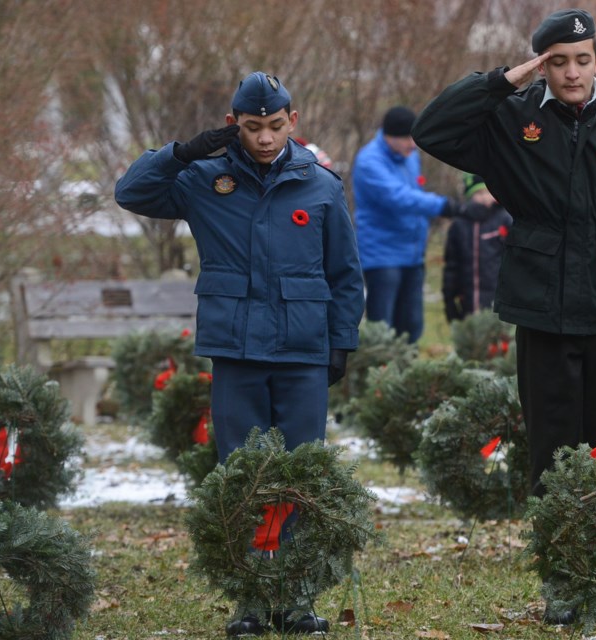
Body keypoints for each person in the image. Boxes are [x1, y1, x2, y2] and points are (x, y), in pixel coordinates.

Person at [412, 8, 596, 623]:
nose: (573, 73)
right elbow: (433, 129)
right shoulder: (513, 118)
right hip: (545, 309)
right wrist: (504, 81)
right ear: (541, 65)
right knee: (553, 451)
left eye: (583, 60)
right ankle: (563, 580)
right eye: (558, 62)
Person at [115, 71, 363, 636]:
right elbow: (130, 192)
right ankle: (250, 598)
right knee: (242, 477)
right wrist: (182, 152)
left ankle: (297, 597)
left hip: (303, 350)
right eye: (253, 128)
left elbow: (345, 274)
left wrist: (341, 342)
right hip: (236, 350)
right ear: (234, 125)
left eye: (276, 126)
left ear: (293, 121)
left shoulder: (322, 185)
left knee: (301, 475)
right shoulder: (202, 179)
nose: (266, 138)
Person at [352, 106, 457, 343]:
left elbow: (413, 193)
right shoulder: (369, 162)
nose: (413, 144)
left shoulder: (410, 157)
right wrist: (442, 206)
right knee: (383, 329)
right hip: (382, 256)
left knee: (412, 325)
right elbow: (398, 198)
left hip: (412, 255)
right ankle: (380, 375)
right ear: (389, 136)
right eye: (407, 138)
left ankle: (404, 375)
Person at [442, 173, 513, 322]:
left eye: (489, 192)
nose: (485, 198)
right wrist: (449, 298)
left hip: (497, 296)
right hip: (467, 297)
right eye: (479, 193)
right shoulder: (459, 225)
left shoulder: (504, 219)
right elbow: (451, 265)